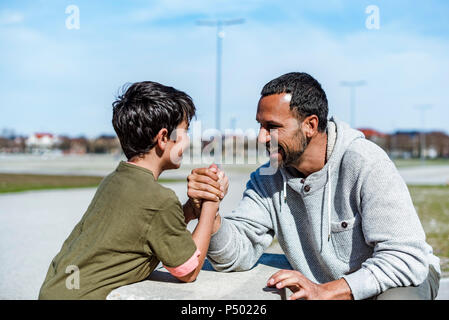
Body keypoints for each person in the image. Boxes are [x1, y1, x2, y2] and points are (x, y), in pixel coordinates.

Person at [186, 72, 441, 300]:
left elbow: (405, 258)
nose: (262, 137)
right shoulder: (267, 178)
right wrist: (212, 213)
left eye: (272, 127)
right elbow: (237, 254)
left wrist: (327, 291)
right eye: (260, 126)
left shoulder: (366, 163)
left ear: (310, 125)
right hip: (330, 283)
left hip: (396, 280)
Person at [38, 81, 225, 299]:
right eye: (184, 132)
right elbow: (188, 270)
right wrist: (212, 203)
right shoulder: (160, 199)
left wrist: (190, 211)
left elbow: (146, 228)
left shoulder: (114, 180)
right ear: (164, 138)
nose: (188, 140)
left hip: (55, 291)